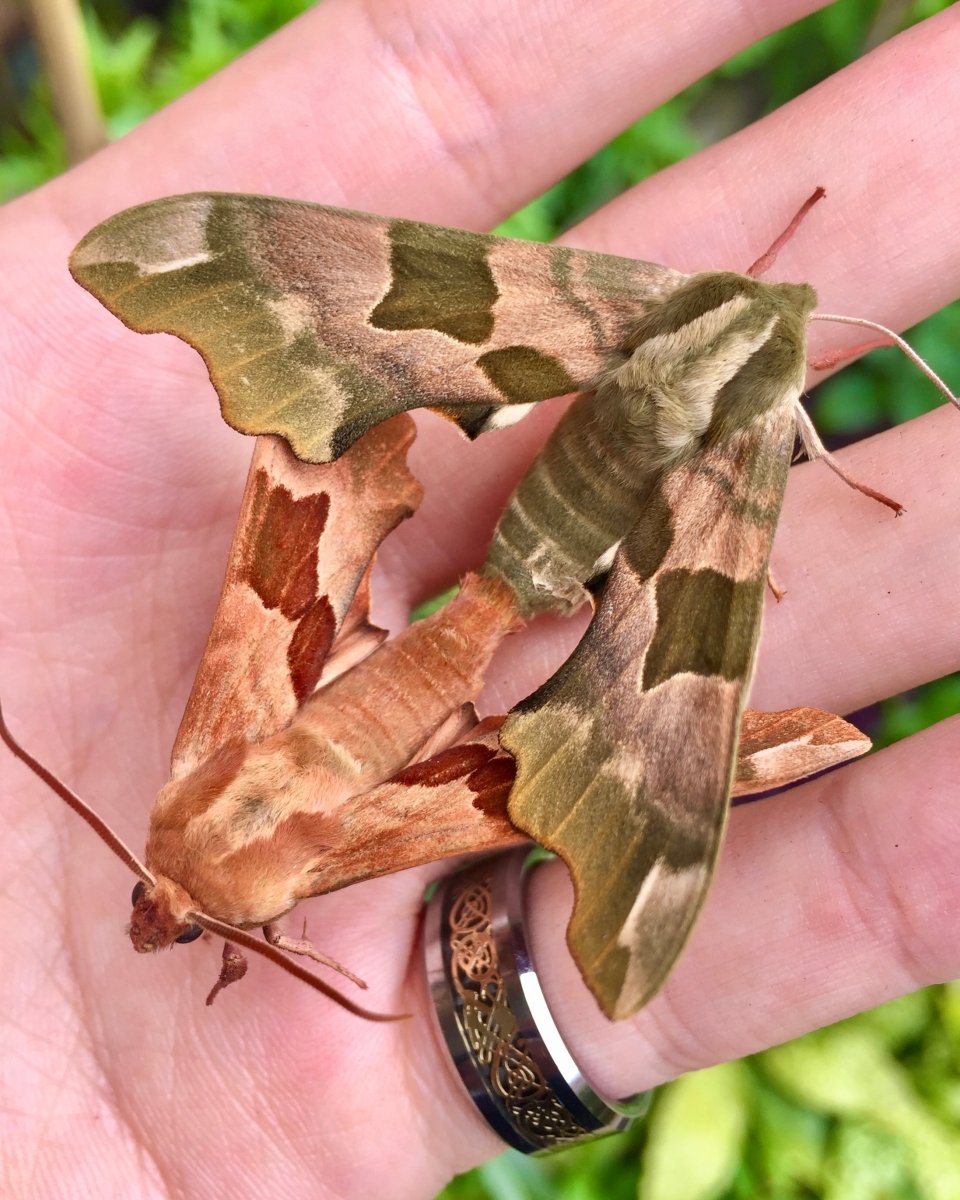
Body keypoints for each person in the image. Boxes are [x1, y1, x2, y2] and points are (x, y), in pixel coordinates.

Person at [1, 1, 958, 1194]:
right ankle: (668, 778)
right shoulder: (758, 433)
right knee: (681, 709)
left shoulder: (638, 307)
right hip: (523, 589)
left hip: (520, 543)